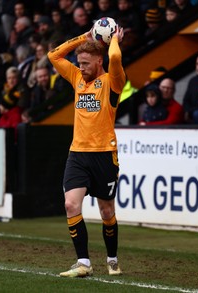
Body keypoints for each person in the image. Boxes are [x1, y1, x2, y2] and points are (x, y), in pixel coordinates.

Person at [47, 25, 125, 277]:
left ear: (99, 61)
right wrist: (84, 37)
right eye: (79, 62)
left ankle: (112, 259)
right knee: (71, 204)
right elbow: (53, 56)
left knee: (106, 212)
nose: (81, 67)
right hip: (78, 154)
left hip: (104, 154)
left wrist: (113, 40)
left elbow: (114, 57)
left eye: (86, 63)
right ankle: (84, 263)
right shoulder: (77, 78)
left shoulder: (112, 82)